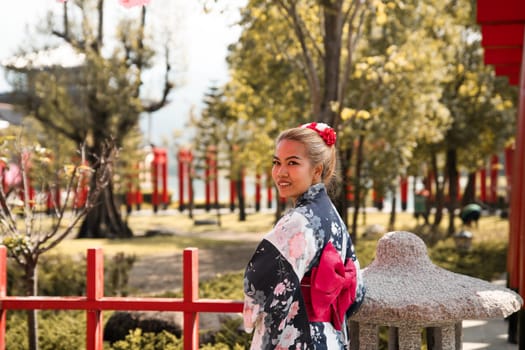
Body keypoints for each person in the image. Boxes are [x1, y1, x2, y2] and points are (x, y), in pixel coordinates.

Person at [243, 122, 366, 349]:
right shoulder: (334, 218)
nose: (281, 172)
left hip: (299, 337)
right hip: (331, 338)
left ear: (317, 170)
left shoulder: (298, 221)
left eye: (293, 163)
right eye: (276, 162)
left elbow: (258, 284)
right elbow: (356, 293)